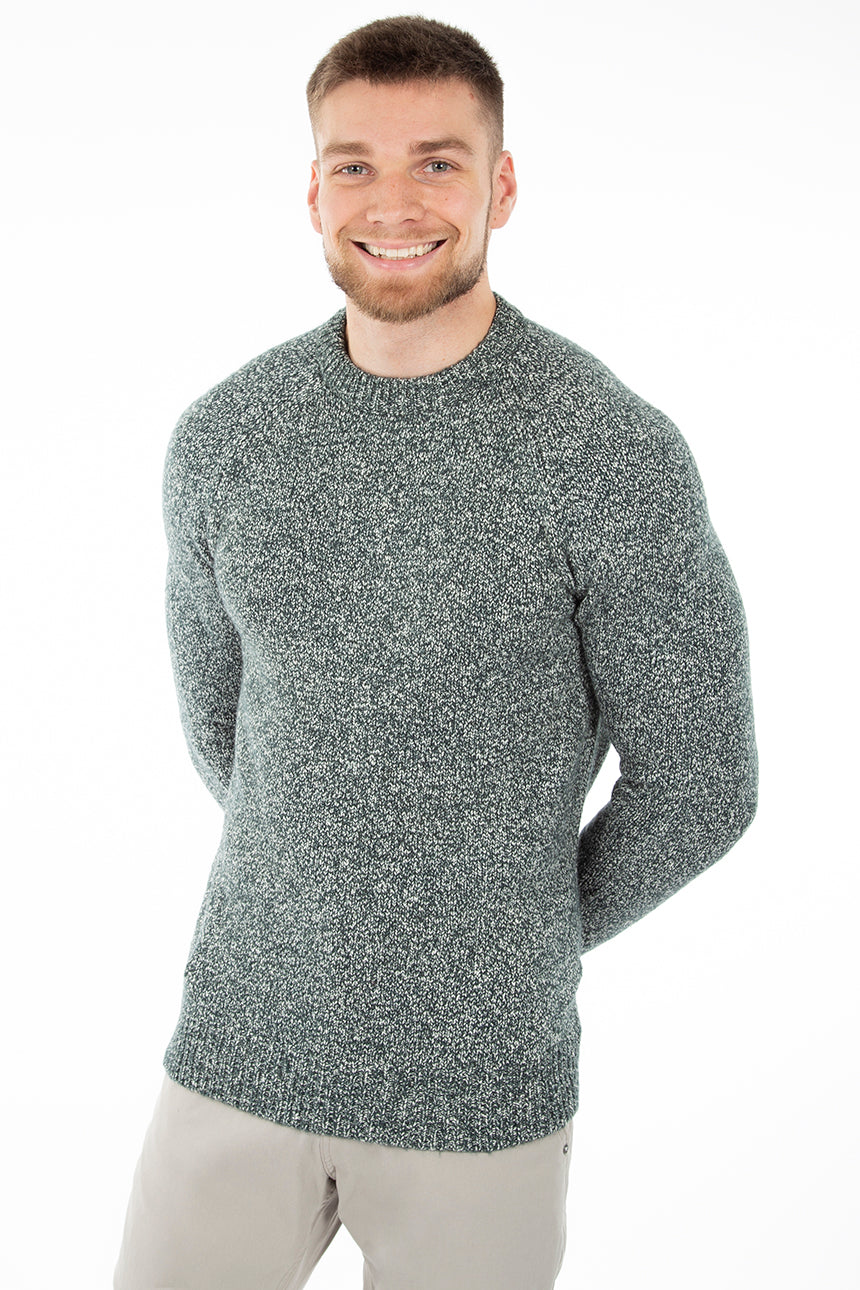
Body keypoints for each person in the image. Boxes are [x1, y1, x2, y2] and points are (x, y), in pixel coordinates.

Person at [113, 15, 758, 1290]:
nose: (393, 203)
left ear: (500, 187)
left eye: (437, 163)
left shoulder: (607, 453)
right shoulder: (227, 439)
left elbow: (702, 783)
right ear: (311, 191)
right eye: (353, 164)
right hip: (238, 1055)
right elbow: (227, 735)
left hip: (480, 1095)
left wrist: (506, 939)